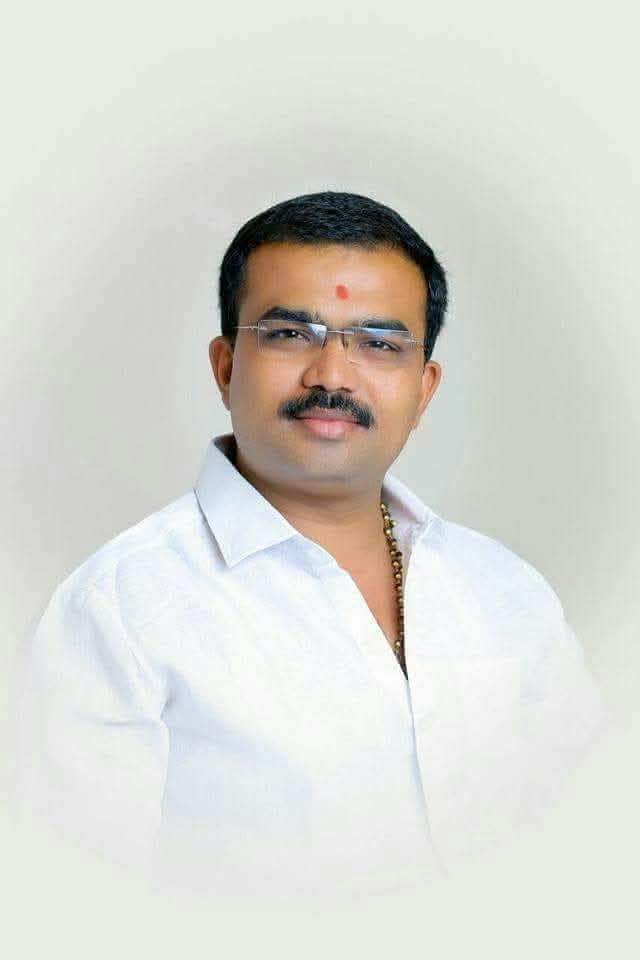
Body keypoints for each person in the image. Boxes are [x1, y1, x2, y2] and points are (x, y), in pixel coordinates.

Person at [12, 191, 606, 898]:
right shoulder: (116, 614)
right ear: (226, 368)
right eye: (291, 334)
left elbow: (589, 851)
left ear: (424, 390)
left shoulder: (510, 595)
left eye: (379, 344)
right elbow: (76, 907)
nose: (331, 376)